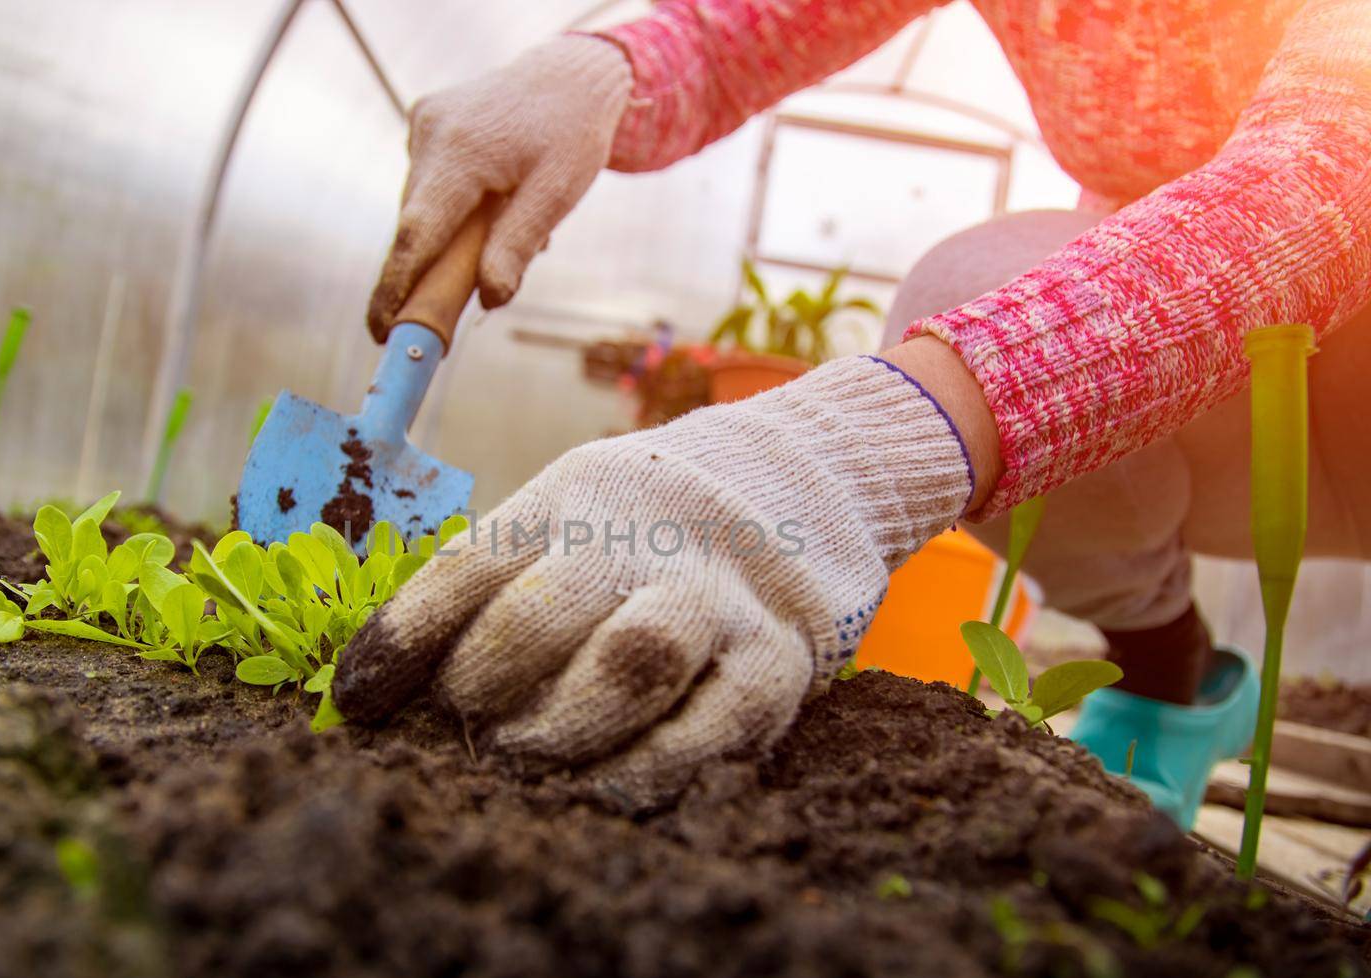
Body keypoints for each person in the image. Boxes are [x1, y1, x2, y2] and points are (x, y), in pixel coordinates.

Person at [333, 0, 1371, 824]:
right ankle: (1170, 683)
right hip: (1202, 382)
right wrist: (605, 67)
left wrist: (846, 448)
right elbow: (755, 22)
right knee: (975, 283)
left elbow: (1329, 173)